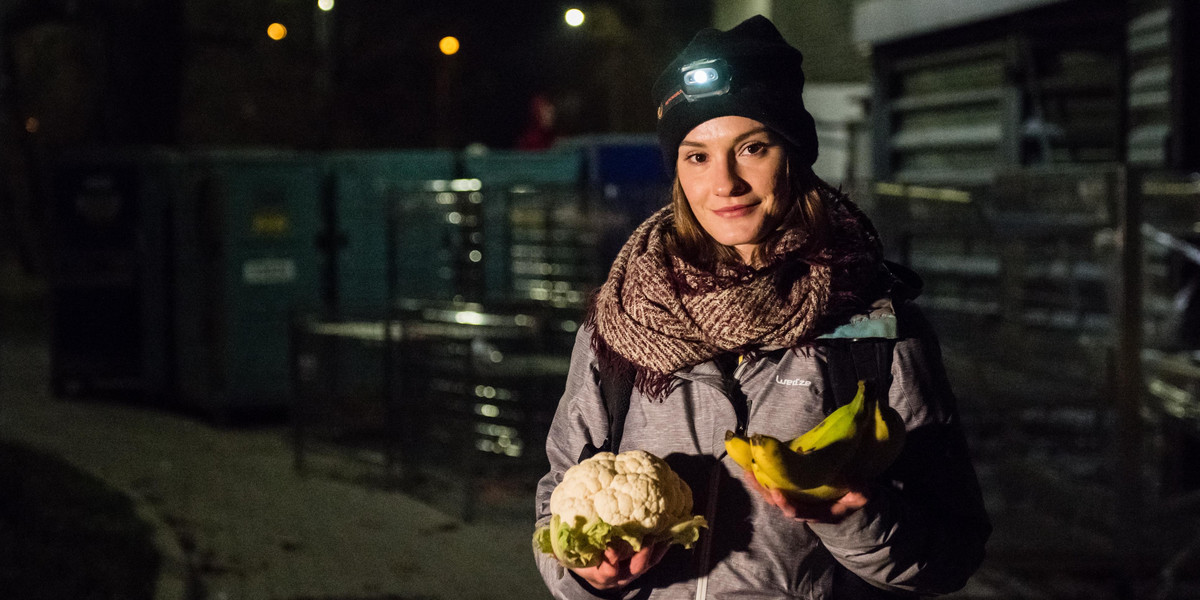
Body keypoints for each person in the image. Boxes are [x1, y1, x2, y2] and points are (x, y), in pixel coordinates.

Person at [533, 15, 991, 599]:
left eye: (752, 147)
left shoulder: (874, 327)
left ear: (794, 154)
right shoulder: (623, 317)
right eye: (696, 156)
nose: (724, 182)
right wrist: (585, 574)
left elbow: (951, 555)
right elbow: (557, 498)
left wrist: (853, 520)